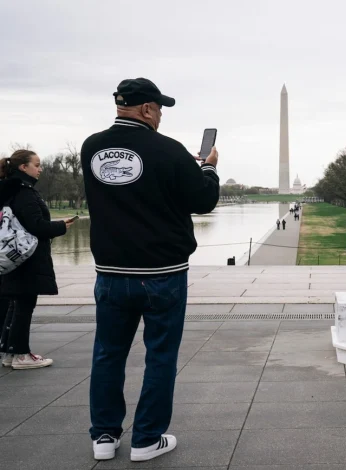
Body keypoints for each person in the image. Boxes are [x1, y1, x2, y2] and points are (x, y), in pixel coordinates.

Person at [81, 78, 220, 463]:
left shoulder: (91, 147)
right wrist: (208, 170)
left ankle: (104, 437)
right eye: (159, 109)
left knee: (108, 354)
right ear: (146, 109)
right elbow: (204, 201)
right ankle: (146, 438)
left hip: (110, 272)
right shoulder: (168, 150)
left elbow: (122, 191)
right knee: (160, 356)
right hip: (162, 272)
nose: (160, 116)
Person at [0, 150, 74, 369]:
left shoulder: (9, 191)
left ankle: (9, 352)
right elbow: (36, 226)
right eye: (37, 164)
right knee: (24, 304)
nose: (40, 168)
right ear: (24, 167)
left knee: (16, 303)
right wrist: (62, 226)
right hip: (28, 257)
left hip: (13, 257)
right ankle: (21, 355)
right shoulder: (25, 193)